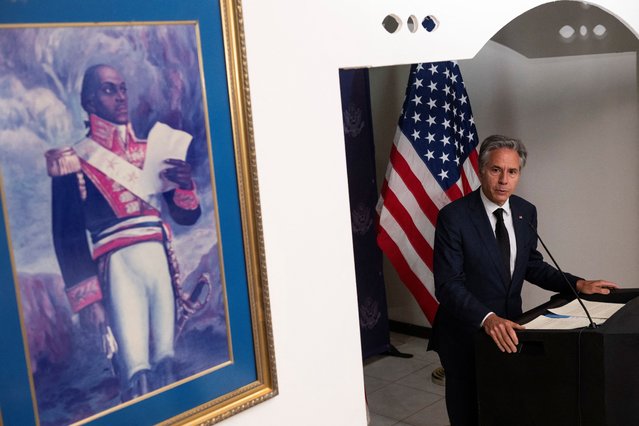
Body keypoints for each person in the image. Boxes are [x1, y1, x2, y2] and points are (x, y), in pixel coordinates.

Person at [428, 134, 618, 426]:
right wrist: (487, 318)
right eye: (496, 170)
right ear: (481, 170)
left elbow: (530, 265)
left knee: (504, 404)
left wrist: (577, 284)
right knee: (467, 411)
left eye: (512, 171)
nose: (504, 179)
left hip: (511, 329)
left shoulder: (524, 212)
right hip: (465, 333)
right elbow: (448, 284)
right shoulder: (454, 217)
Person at [45, 64, 201, 401]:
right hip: (117, 270)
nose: (120, 96)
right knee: (136, 371)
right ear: (89, 101)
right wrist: (90, 302)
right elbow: (68, 238)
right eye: (108, 89)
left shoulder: (152, 150)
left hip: (160, 263)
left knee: (167, 362)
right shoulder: (74, 161)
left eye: (123, 88)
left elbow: (185, 216)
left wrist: (185, 185)